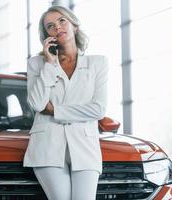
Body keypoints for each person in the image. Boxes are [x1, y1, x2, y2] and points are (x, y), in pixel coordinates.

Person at [23, 5, 108, 200]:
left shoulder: (98, 63)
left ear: (74, 26)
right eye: (50, 26)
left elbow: (99, 109)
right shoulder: (37, 64)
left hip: (85, 146)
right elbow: (37, 104)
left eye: (62, 21)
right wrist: (50, 64)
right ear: (47, 35)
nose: (57, 27)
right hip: (47, 145)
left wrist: (55, 110)